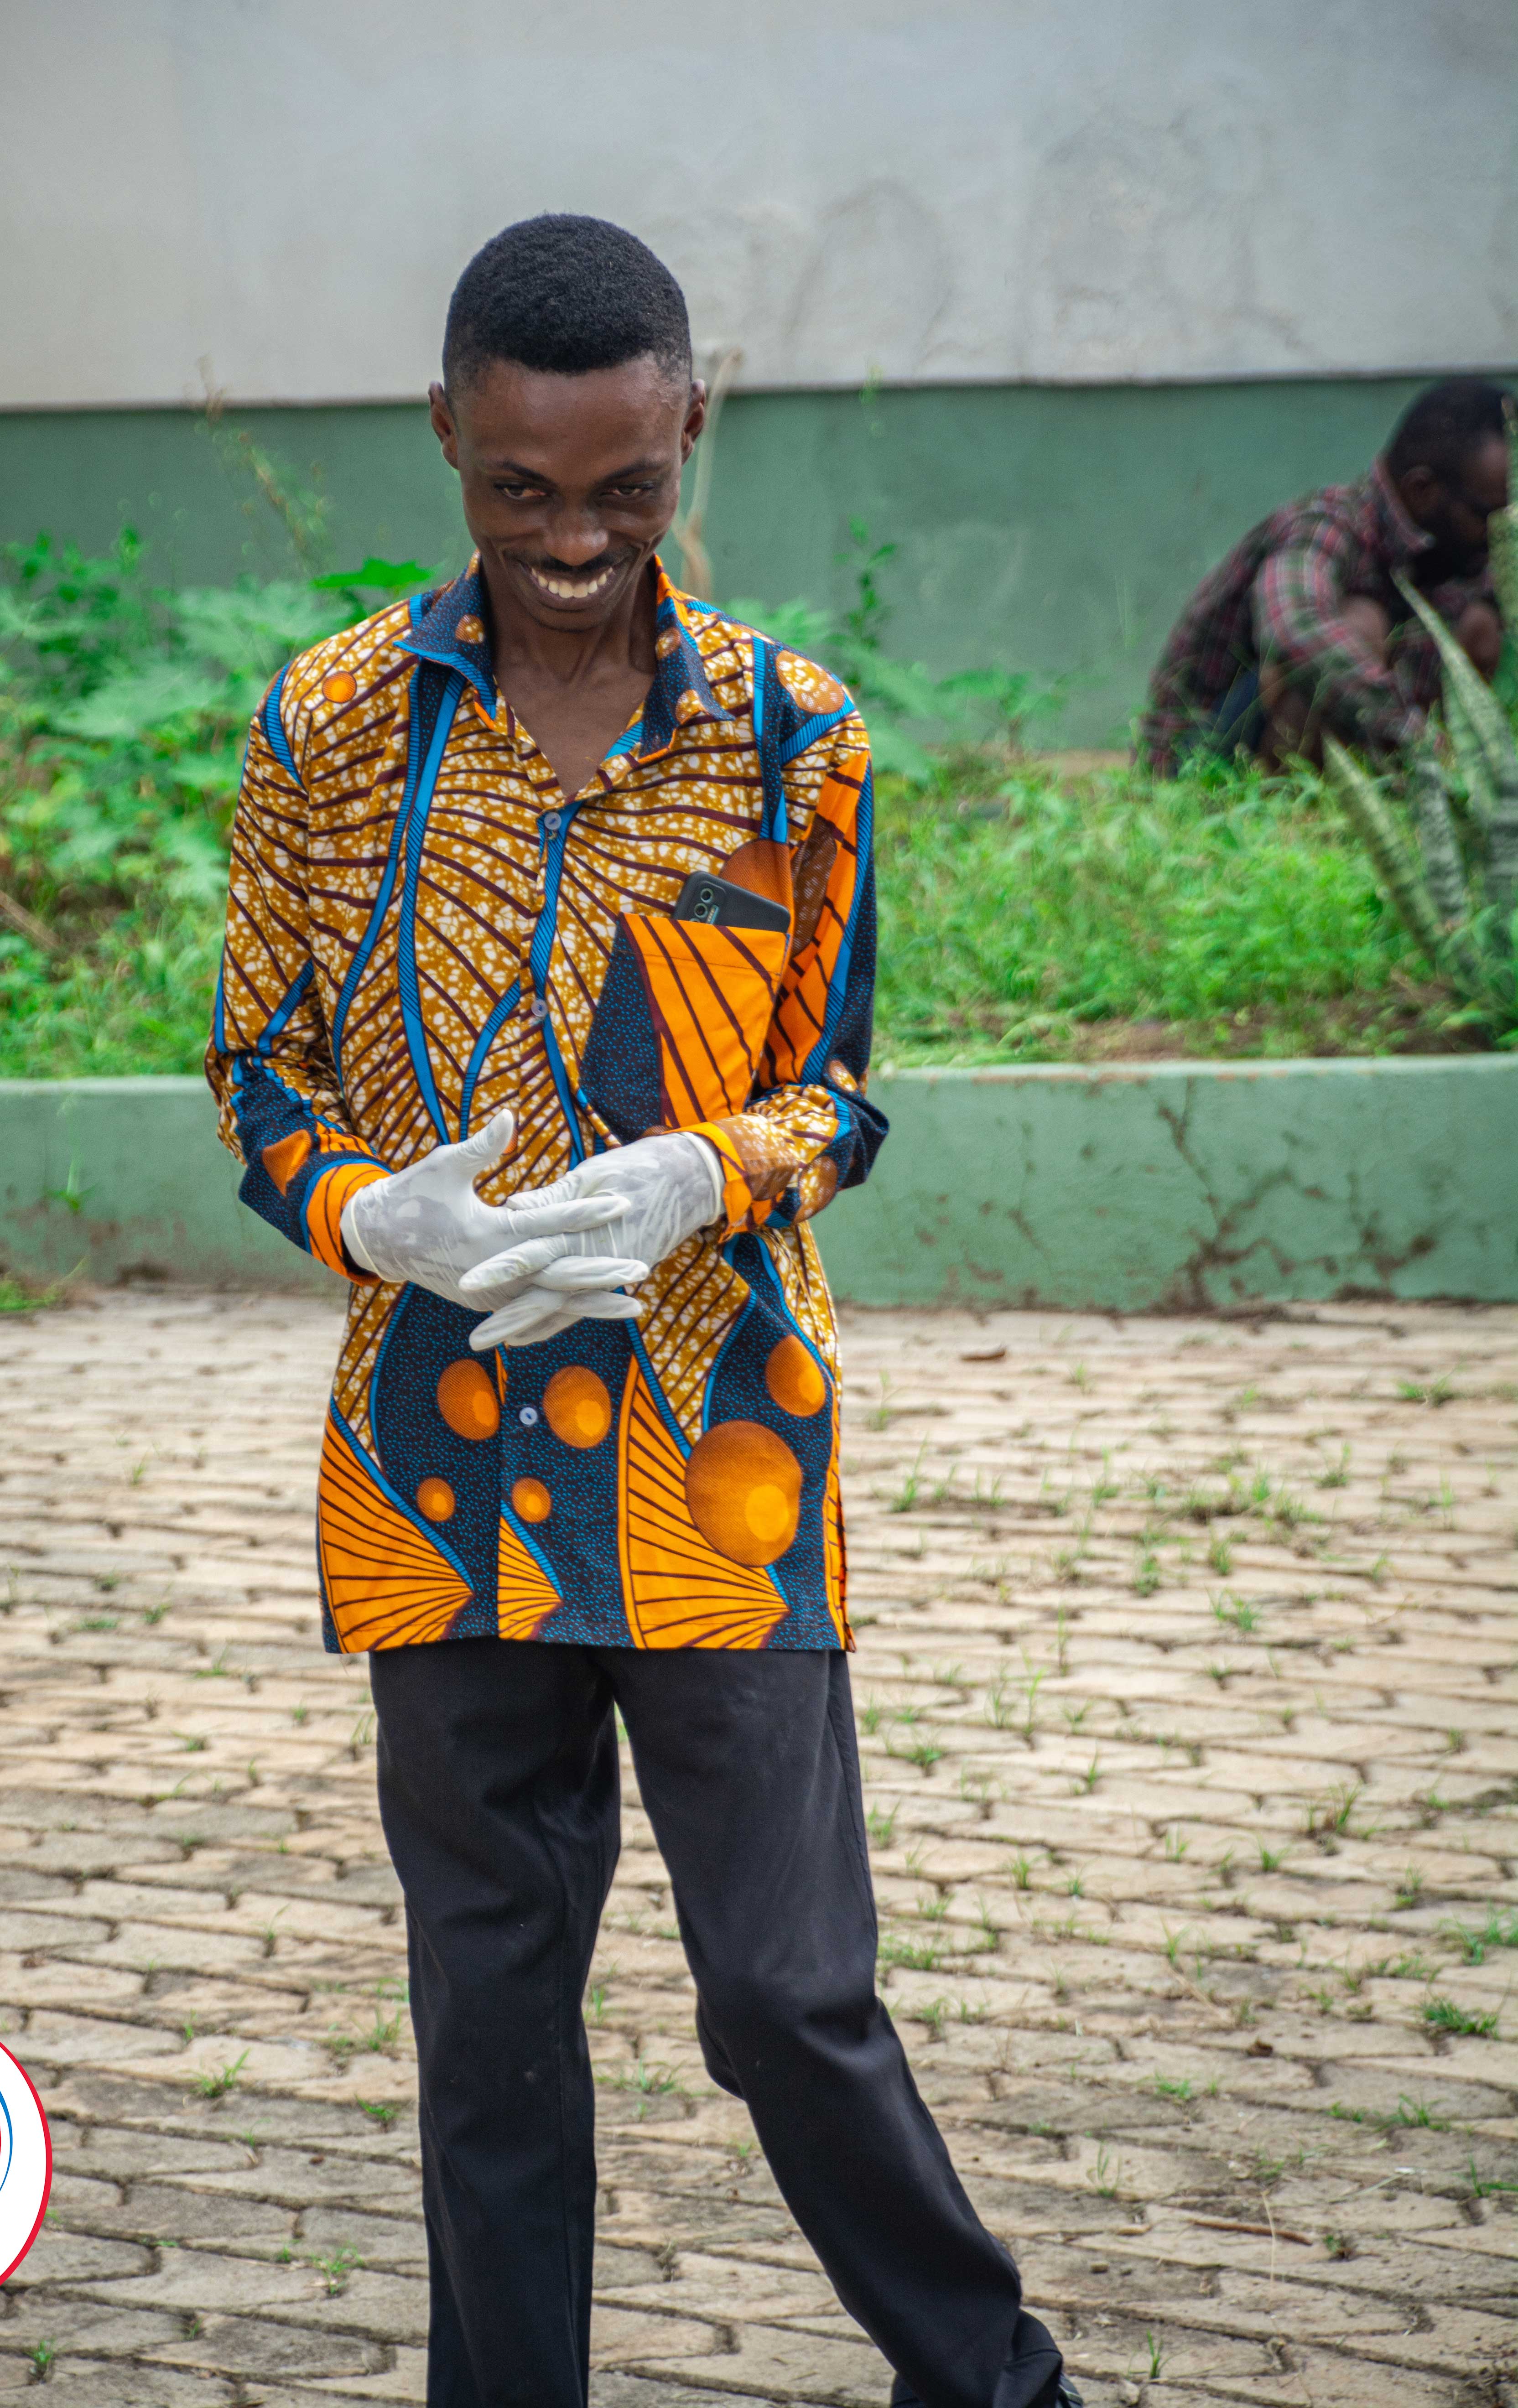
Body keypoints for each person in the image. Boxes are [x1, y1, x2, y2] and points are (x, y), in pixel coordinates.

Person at [208, 213, 1079, 2408]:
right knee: (488, 2028)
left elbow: (835, 1090)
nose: (575, 538)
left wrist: (704, 1169)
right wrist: (367, 1218)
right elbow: (257, 1069)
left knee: (787, 1995)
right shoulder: (328, 727)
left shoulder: (794, 735)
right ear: (442, 435)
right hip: (437, 1472)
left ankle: (996, 2387)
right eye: (520, 487)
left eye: (625, 485)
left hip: (719, 1463)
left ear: (694, 419)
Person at [1140, 376, 1509, 773]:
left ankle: (1405, 787)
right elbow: (1295, 628)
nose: (1501, 531)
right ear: (1423, 489)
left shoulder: (1453, 550)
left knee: (1479, 625)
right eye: (1490, 515)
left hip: (1367, 745)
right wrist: (1413, 734)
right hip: (1203, 759)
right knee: (1360, 625)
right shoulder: (1327, 523)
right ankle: (1286, 801)